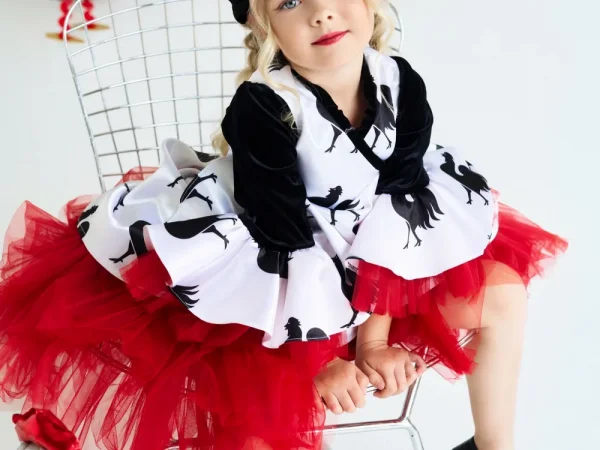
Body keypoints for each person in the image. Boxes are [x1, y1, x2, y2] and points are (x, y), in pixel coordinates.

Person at [0, 0, 567, 449]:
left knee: (501, 293)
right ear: (263, 22)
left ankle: (494, 444)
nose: (320, 11)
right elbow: (283, 246)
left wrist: (373, 343)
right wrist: (324, 362)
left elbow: (396, 224)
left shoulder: (400, 84)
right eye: (290, 1)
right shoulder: (265, 109)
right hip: (270, 286)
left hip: (367, 272)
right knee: (260, 410)